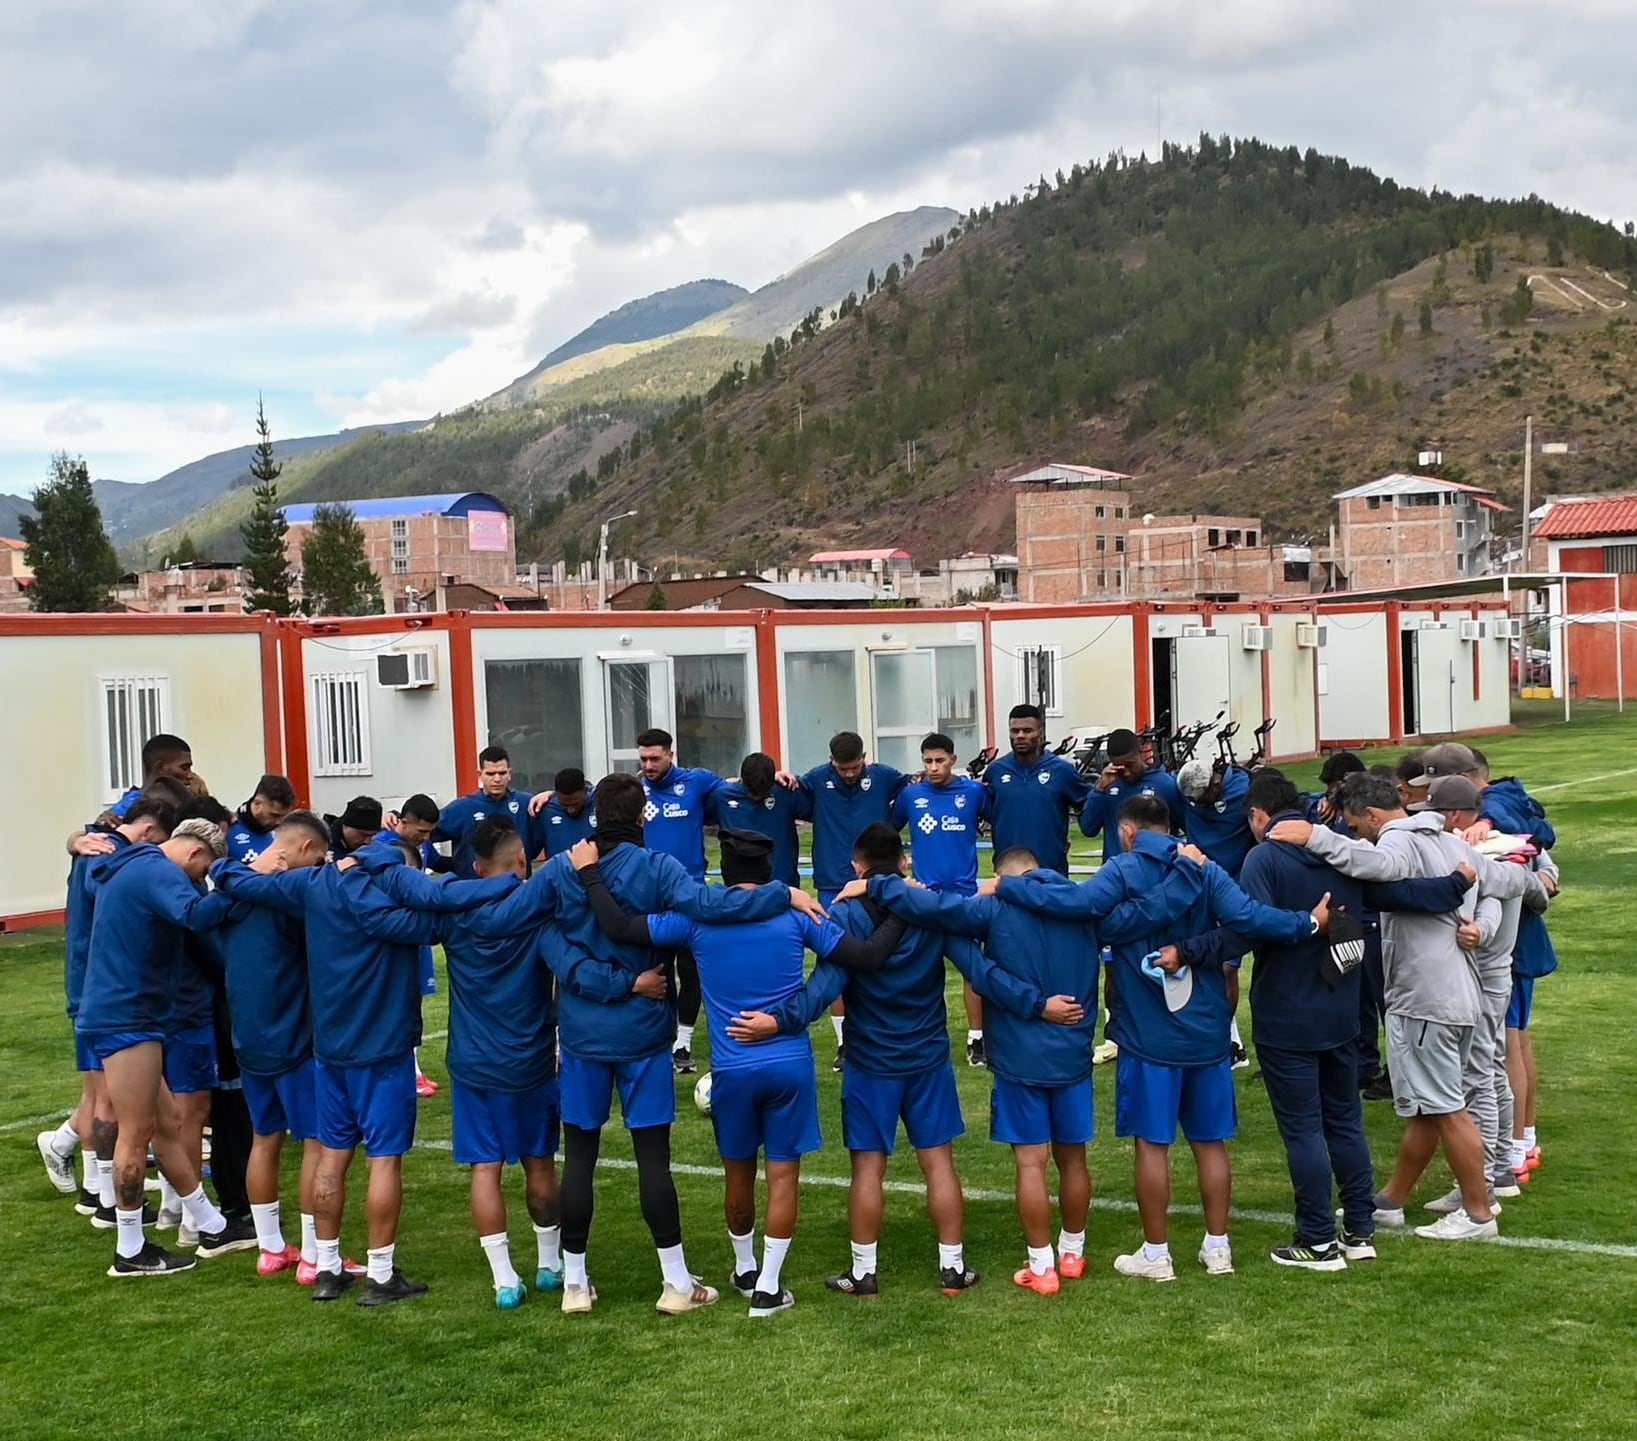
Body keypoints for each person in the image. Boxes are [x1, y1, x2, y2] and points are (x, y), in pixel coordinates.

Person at [469, 772, 824, 1316]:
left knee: (581, 1157)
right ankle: (676, 1283)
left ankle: (574, 1285)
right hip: (642, 1034)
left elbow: (507, 919)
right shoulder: (659, 867)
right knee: (652, 1159)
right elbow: (713, 906)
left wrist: (451, 895)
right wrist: (785, 892)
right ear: (642, 818)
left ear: (592, 814)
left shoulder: (562, 868)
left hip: (583, 1036)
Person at [577, 828, 908, 1318]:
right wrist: (902, 901)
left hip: (732, 1068)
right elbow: (865, 957)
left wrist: (589, 875)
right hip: (789, 1062)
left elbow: (620, 926)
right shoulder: (798, 913)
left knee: (738, 1172)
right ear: (771, 872)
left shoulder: (696, 921)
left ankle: (745, 1268)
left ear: (722, 871)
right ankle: (769, 1288)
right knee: (782, 1177)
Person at [997, 795, 1328, 1282]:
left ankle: (1157, 1253)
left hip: (1147, 1036)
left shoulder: (1123, 870)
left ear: (1128, 831)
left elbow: (1078, 905)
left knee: (1153, 1145)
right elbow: (1253, 919)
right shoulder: (1205, 868)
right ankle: (1219, 1249)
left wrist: (1008, 886)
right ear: (1168, 828)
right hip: (1208, 1031)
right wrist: (1308, 922)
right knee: (1210, 1144)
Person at [1175, 770, 1470, 1271]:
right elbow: (1405, 896)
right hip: (1342, 1012)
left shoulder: (1264, 857)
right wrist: (1455, 884)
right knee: (1345, 1121)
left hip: (1288, 1015)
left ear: (1257, 815)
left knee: (1304, 1129)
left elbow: (1245, 929)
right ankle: (1359, 1229)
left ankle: (1316, 1238)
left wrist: (1185, 951)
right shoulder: (1340, 852)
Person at [213, 836, 519, 1304]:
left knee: (332, 1156)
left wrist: (244, 866)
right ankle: (379, 1272)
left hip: (330, 1049)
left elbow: (235, 881)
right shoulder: (390, 894)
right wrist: (510, 882)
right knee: (384, 1158)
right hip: (382, 1049)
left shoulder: (315, 884)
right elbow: (443, 900)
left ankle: (329, 1266)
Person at [737, 823, 1018, 1299]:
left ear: (857, 866)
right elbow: (980, 973)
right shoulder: (927, 909)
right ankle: (953, 1267)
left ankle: (864, 1273)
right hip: (927, 1057)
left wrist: (776, 1021)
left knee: (868, 1170)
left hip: (870, 1061)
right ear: (904, 862)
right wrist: (1036, 1002)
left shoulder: (846, 914)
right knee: (939, 1164)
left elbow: (824, 988)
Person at [1267, 773, 1542, 1242]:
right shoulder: (1451, 844)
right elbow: (1508, 877)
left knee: (1448, 1108)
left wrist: (1315, 835)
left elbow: (1372, 864)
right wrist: (1543, 883)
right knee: (1427, 1107)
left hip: (1426, 998)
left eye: (1355, 824)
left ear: (1372, 816)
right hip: (1456, 993)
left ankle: (1479, 1212)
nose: (1355, 833)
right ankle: (1391, 1201)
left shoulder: (1397, 842)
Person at [846, 849, 1121, 1294]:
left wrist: (878, 884)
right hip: (1072, 1053)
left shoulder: (995, 908)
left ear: (1002, 879)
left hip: (1019, 1056)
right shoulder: (1083, 906)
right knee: (1074, 1160)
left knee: (1031, 1163)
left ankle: (1042, 1267)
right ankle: (1072, 1253)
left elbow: (942, 916)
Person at [76, 818, 256, 1276]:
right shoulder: (159, 872)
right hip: (127, 1017)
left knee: (169, 1122)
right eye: (202, 876)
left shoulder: (135, 867)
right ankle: (130, 1248)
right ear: (197, 855)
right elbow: (196, 918)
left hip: (132, 1013)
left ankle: (211, 1223)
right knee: (136, 1132)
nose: (197, 885)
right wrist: (245, 885)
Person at [429, 816, 566, 1311]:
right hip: (528, 1059)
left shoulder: (455, 915)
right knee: (540, 1162)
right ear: (522, 863)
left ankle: (504, 1278)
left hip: (473, 1061)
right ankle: (550, 1264)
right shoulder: (536, 911)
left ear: (475, 866)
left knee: (485, 1169)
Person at [209, 810, 351, 1280]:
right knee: (315, 1143)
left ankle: (270, 1248)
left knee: (264, 1139)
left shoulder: (234, 890)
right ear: (307, 850)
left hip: (248, 1039)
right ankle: (314, 1254)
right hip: (293, 1039)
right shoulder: (291, 898)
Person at [1407, 776, 1552, 1215]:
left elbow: (1493, 898)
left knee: (1481, 1075)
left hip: (1483, 974)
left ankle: (1486, 1180)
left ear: (1453, 815)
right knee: (1488, 1071)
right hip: (1494, 972)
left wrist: (1482, 929)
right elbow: (1537, 886)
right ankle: (1500, 1170)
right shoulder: (1511, 846)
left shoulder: (1484, 852)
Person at [39, 795, 178, 1225]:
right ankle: (105, 1199)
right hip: (100, 987)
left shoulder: (101, 844)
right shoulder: (110, 855)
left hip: (92, 983)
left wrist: (77, 839)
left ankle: (90, 1181)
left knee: (105, 1092)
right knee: (109, 1097)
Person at [789, 731, 908, 1071]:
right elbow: (792, 793)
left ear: (865, 759)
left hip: (879, 882)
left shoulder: (885, 777)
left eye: (855, 767)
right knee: (836, 960)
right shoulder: (815, 780)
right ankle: (844, 1042)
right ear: (831, 763)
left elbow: (910, 790)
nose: (849, 774)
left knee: (888, 955)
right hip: (833, 885)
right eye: (842, 769)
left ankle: (885, 1031)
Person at [891, 733, 994, 1067]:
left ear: (953, 759)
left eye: (939, 760)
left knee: (972, 971)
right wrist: (901, 875)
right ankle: (921, 1037)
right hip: (924, 902)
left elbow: (1001, 822)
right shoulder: (911, 796)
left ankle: (977, 1039)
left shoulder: (973, 792)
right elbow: (888, 833)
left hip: (964, 901)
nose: (933, 767)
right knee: (921, 971)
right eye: (927, 761)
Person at [630, 727, 724, 1074]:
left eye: (655, 758)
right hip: (650, 895)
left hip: (690, 894)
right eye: (643, 759)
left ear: (672, 754)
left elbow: (736, 789)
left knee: (690, 968)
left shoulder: (697, 782)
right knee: (657, 968)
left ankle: (683, 1042)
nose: (648, 765)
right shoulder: (634, 790)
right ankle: (663, 1037)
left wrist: (775, 775)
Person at [1175, 757, 1256, 1069]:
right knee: (1196, 962)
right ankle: (1213, 1035)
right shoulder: (1184, 793)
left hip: (1233, 889)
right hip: (1196, 889)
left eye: (1202, 799)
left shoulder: (1244, 790)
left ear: (1217, 783)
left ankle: (1226, 1038)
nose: (1198, 806)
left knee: (1226, 967)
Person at [376, 794, 448, 1097]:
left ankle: (413, 1069)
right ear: (403, 822)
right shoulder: (382, 846)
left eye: (430, 832)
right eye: (421, 831)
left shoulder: (422, 847)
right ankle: (401, 1071)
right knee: (392, 1003)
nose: (426, 838)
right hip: (392, 939)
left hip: (416, 938)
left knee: (414, 1001)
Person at [981, 704, 1093, 878]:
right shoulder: (996, 771)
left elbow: (1087, 805)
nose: (1020, 736)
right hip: (1008, 872)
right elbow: (988, 811)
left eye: (1027, 731)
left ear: (1040, 732)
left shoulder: (1062, 770)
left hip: (1051, 872)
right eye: (1015, 731)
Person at [1076, 728, 1185, 866]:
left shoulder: (1164, 784)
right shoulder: (1107, 786)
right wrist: (1099, 790)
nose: (1126, 772)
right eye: (1120, 767)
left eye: (1130, 765)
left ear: (1140, 752)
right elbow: (1088, 829)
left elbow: (1187, 826)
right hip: (1117, 875)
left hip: (1156, 875)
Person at [436, 746, 543, 877]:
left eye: (502, 773)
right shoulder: (462, 807)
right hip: (474, 890)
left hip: (517, 890)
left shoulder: (526, 803)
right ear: (479, 775)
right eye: (490, 774)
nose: (497, 779)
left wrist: (550, 794)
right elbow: (426, 831)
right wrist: (440, 863)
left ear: (510, 774)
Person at [707, 752, 809, 888]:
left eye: (763, 791)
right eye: (752, 791)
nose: (757, 796)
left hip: (783, 883)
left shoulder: (786, 792)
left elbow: (817, 809)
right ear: (742, 779)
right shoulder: (722, 797)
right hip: (740, 887)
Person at [103, 733, 194, 821]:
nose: (190, 776)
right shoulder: (126, 810)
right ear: (160, 768)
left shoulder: (180, 803)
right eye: (184, 768)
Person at [227, 774, 298, 862]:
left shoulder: (285, 832)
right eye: (274, 815)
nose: (279, 822)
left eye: (284, 816)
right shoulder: (226, 829)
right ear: (257, 804)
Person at [538, 768, 596, 857]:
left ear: (585, 790)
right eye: (564, 804)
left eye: (575, 804)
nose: (570, 809)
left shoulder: (599, 804)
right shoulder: (546, 810)